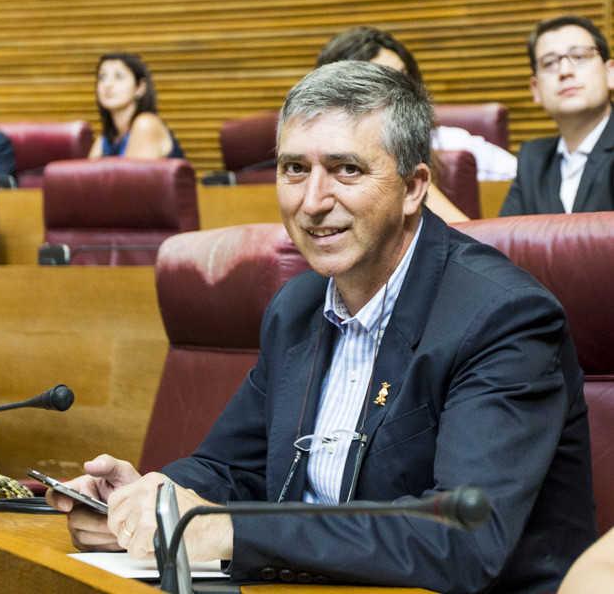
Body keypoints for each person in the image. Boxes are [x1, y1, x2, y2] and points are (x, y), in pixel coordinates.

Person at [46, 62, 595, 594]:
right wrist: (149, 500)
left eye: (346, 169)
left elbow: (460, 539)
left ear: (413, 187)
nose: (312, 202)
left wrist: (229, 531)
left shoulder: (503, 318)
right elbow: (229, 467)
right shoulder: (298, 305)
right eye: (294, 169)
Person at [317, 27, 518, 184]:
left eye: (404, 77)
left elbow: (529, 182)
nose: (400, 91)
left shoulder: (449, 144)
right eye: (381, 82)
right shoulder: (314, 157)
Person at [500, 15, 614, 215]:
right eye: (550, 63)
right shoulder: (532, 159)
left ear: (610, 73)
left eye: (579, 57)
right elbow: (501, 241)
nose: (564, 71)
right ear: (535, 89)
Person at [88, 52, 185, 160]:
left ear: (140, 88)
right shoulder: (104, 140)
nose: (107, 84)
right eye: (102, 77)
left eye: (119, 77)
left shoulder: (145, 124)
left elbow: (129, 176)